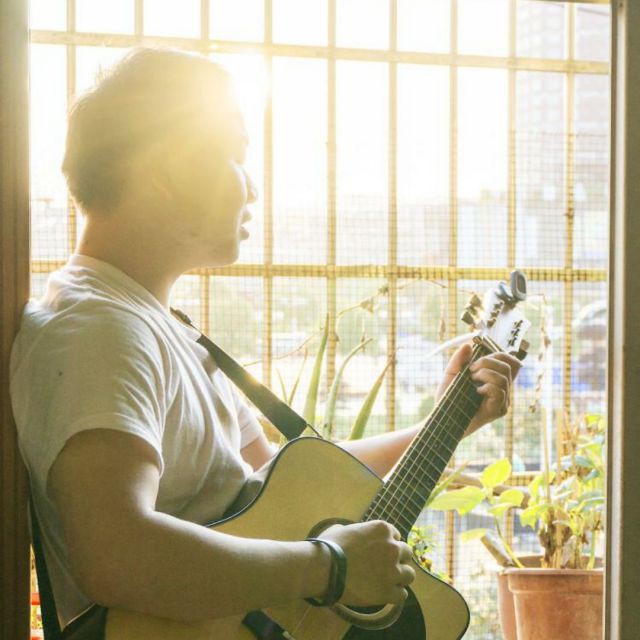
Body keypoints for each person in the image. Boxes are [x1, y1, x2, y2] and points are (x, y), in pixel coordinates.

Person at [10, 48, 520, 630]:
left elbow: (283, 484)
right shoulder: (98, 330)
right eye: (233, 155)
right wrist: (329, 567)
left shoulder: (160, 328)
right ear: (165, 168)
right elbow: (117, 555)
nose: (251, 188)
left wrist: (449, 421)